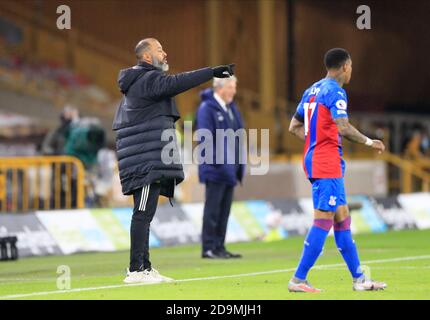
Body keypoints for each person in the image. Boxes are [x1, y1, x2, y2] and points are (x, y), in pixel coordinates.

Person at [112, 38, 235, 284]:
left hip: (146, 158)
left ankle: (144, 267)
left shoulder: (139, 82)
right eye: (159, 50)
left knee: (144, 213)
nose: (165, 53)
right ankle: (136, 270)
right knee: (142, 213)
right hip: (145, 161)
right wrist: (212, 72)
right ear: (147, 57)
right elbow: (178, 82)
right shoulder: (147, 80)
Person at [288, 48, 387, 292]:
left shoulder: (311, 90)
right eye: (351, 67)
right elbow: (343, 127)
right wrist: (369, 141)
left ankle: (359, 279)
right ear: (345, 66)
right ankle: (298, 279)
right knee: (323, 219)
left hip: (316, 158)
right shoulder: (335, 92)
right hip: (326, 162)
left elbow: (294, 126)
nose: (351, 71)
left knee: (342, 217)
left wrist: (314, 141)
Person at [196, 76, 245, 259]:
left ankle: (219, 246)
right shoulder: (206, 108)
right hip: (215, 169)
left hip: (230, 169)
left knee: (224, 211)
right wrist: (219, 163)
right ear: (220, 88)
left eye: (234, 87)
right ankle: (208, 247)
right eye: (231, 87)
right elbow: (204, 138)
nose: (234, 91)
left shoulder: (231, 108)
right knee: (213, 210)